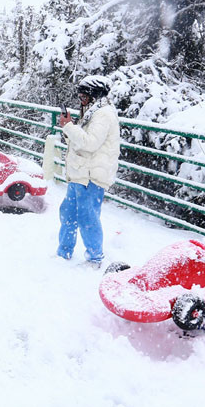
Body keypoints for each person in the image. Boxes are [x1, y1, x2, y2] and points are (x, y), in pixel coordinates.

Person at [56, 75, 120, 266]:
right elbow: (79, 141)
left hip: (92, 176)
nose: (81, 100)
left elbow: (90, 143)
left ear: (95, 95)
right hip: (79, 173)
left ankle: (95, 257)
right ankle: (63, 252)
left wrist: (69, 127)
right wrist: (69, 128)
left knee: (87, 218)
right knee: (67, 213)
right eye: (80, 97)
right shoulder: (92, 112)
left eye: (84, 96)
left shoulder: (104, 115)